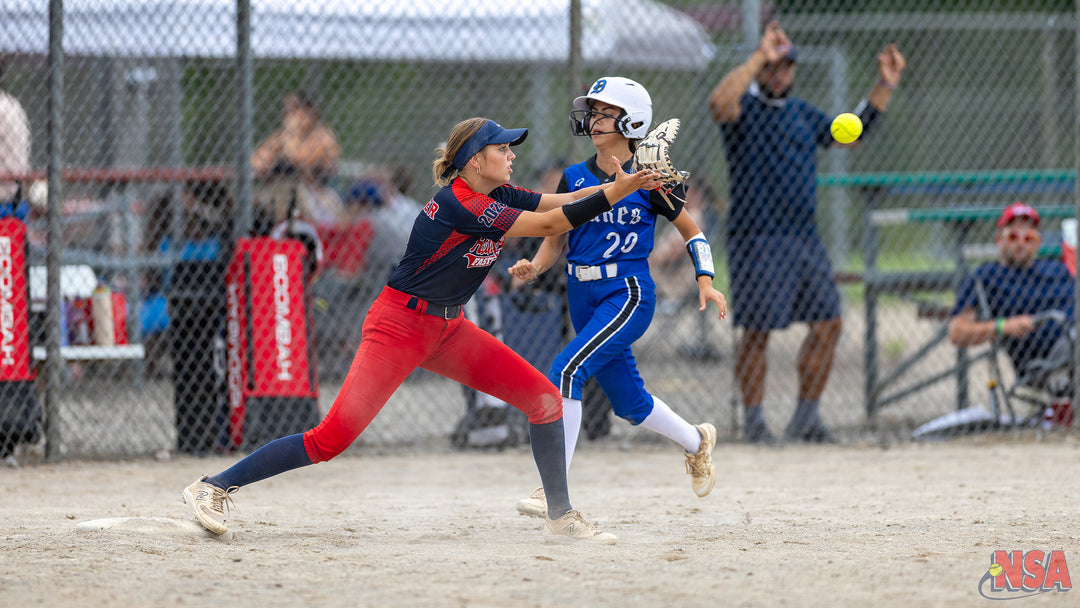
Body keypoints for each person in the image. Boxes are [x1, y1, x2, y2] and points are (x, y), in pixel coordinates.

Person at [183, 117, 663, 544]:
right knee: (332, 438)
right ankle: (214, 486)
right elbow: (552, 223)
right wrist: (621, 190)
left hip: (448, 328)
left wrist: (624, 183)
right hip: (400, 325)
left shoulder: (495, 192)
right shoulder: (461, 202)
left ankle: (561, 515)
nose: (512, 156)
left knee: (543, 399)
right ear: (475, 161)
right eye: (503, 149)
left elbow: (567, 198)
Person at [508, 76, 727, 518]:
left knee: (566, 370)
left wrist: (705, 278)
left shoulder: (652, 179)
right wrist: (536, 264)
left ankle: (553, 488)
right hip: (581, 293)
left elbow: (692, 231)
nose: (593, 120)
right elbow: (555, 235)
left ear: (632, 120)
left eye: (604, 112)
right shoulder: (575, 176)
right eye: (592, 112)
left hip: (627, 292)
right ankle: (697, 440)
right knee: (631, 404)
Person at [709, 21, 906, 443]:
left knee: (829, 323)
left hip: (803, 238)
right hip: (756, 237)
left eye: (786, 67)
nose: (779, 75)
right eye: (772, 67)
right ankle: (756, 423)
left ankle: (806, 419)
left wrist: (884, 86)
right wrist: (759, 56)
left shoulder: (802, 114)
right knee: (758, 332)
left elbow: (851, 133)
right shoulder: (743, 110)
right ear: (762, 68)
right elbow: (719, 103)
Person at [948, 202, 1074, 425]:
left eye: (1029, 238)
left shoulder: (1057, 269)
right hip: (1044, 361)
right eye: (1013, 236)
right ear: (999, 240)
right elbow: (957, 331)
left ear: (1038, 243)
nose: (1020, 243)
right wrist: (1002, 326)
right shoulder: (987, 276)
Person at [251, 89, 344, 230]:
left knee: (292, 190)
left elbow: (303, 163)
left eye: (294, 109)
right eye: (287, 110)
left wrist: (288, 143)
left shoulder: (323, 135)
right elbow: (257, 162)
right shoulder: (281, 136)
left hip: (315, 192)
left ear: (310, 112)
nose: (288, 115)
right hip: (279, 191)